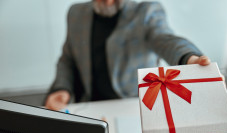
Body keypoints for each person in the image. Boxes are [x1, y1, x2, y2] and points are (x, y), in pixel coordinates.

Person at [45, 0, 211, 111]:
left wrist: (189, 58)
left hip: (135, 106)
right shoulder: (75, 13)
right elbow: (68, 59)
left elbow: (166, 40)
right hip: (90, 105)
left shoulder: (146, 12)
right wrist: (61, 88)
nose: (109, 1)